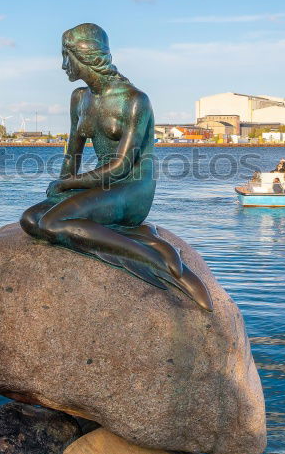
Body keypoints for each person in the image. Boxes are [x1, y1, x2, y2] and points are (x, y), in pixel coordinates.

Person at [20, 23, 213, 311]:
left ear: (85, 56)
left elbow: (121, 166)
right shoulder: (79, 99)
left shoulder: (135, 101)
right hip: (100, 186)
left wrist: (69, 186)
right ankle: (136, 236)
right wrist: (60, 186)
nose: (62, 65)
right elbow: (72, 153)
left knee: (51, 222)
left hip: (131, 188)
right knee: (30, 220)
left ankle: (156, 256)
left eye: (65, 56)